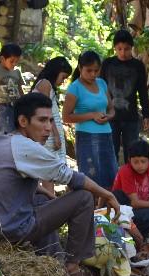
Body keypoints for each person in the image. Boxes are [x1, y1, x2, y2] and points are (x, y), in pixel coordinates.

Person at [0, 92, 120, 276]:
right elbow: (72, 178)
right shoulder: (26, 147)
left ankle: (54, 259)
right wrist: (107, 194)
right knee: (84, 197)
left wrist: (49, 196)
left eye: (50, 120)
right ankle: (72, 267)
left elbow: (10, 183)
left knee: (43, 199)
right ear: (23, 121)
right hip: (10, 232)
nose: (49, 128)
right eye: (42, 120)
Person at [62, 51, 117, 189]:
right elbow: (66, 117)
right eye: (89, 71)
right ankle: (90, 207)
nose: (93, 74)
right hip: (86, 136)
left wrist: (109, 116)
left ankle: (107, 208)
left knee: (111, 173)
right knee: (91, 176)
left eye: (96, 70)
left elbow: (111, 108)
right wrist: (92, 115)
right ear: (80, 68)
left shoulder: (102, 83)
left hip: (106, 135)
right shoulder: (74, 88)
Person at [100, 29, 149, 163]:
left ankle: (131, 182)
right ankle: (112, 181)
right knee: (111, 151)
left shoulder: (138, 66)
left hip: (131, 117)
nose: (123, 52)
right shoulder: (107, 64)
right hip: (110, 116)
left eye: (127, 49)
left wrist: (146, 114)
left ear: (132, 48)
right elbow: (100, 88)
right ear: (115, 48)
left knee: (133, 152)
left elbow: (143, 91)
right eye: (120, 49)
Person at [31, 56, 73, 196]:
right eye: (63, 77)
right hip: (47, 133)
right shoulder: (45, 84)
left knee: (48, 171)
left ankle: (50, 198)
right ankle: (50, 200)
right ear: (56, 71)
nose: (63, 81)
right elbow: (46, 111)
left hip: (48, 131)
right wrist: (54, 134)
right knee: (47, 169)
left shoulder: (47, 85)